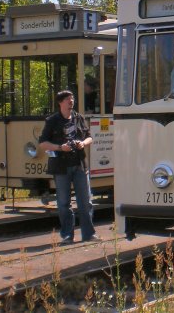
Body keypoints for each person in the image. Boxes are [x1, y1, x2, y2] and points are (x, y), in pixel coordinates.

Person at [38, 90, 99, 244]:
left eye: (72, 99)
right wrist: (60, 147)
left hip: (79, 164)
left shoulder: (79, 118)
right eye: (67, 99)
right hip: (61, 167)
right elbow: (42, 143)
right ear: (60, 103)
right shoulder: (52, 120)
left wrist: (83, 143)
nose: (71, 101)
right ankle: (67, 235)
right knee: (64, 203)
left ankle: (88, 234)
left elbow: (90, 137)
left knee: (85, 201)